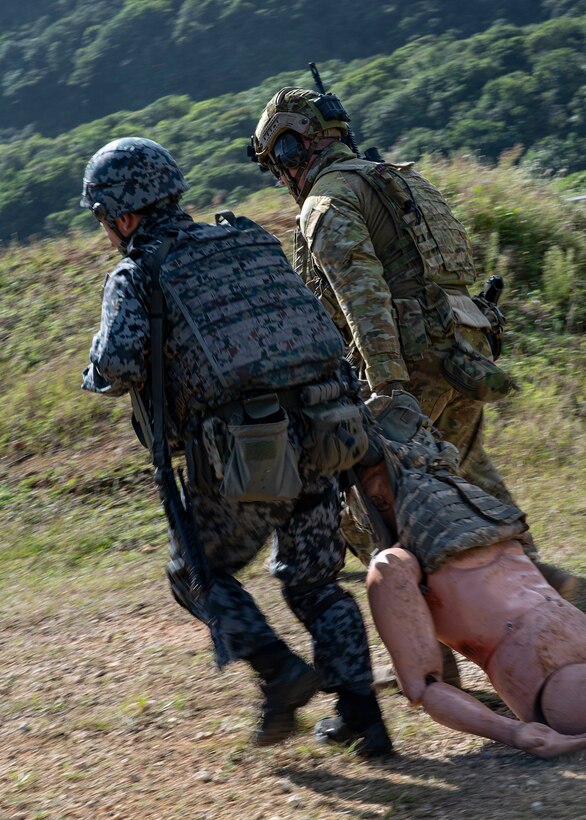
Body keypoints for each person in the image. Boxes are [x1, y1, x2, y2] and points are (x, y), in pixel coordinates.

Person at [80, 136, 392, 757]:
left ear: (120, 215)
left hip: (243, 458)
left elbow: (115, 365)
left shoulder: (137, 273)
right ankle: (365, 720)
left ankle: (278, 672)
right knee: (314, 584)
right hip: (322, 432)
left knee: (195, 574)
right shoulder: (246, 239)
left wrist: (94, 372)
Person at [249, 87, 577, 598]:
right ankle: (550, 594)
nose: (281, 175)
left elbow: (364, 294)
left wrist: (388, 388)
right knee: (469, 481)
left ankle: (434, 649)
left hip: (410, 364)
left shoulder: (327, 201)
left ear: (293, 149)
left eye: (278, 161)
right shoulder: (394, 178)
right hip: (464, 352)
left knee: (362, 511)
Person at [359, 393, 586, 758]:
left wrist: (516, 733)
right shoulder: (488, 519)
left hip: (550, 678)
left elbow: (424, 688)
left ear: (376, 498)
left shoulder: (393, 565)